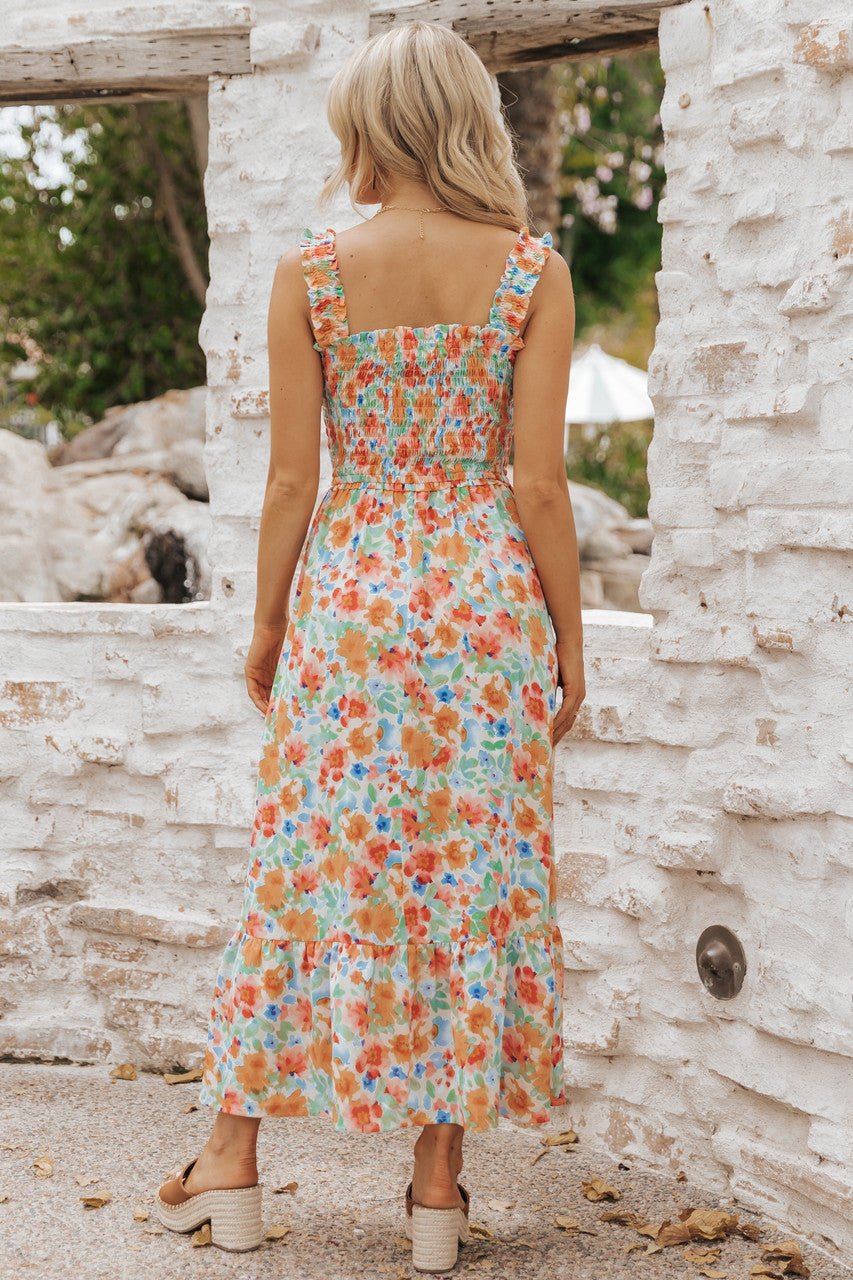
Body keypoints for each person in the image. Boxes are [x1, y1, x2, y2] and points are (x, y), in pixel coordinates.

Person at [154, 19, 584, 1271]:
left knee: (302, 871)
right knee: (467, 877)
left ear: (375, 129)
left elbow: (294, 477)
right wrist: (568, 637)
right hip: (483, 608)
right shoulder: (531, 271)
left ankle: (228, 1158)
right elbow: (541, 482)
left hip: (355, 606)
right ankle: (436, 1194)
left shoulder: (315, 275)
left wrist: (269, 617)